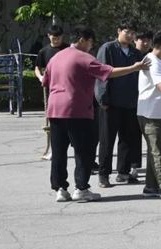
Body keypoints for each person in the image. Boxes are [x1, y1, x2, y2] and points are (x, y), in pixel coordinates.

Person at [42, 26, 149, 203]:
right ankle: (81, 188)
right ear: (82, 40)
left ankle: (60, 189)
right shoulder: (84, 58)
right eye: (90, 42)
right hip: (77, 110)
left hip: (55, 110)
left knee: (59, 152)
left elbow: (45, 81)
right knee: (84, 151)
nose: (91, 46)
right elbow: (109, 72)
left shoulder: (56, 58)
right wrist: (134, 67)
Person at [95, 22, 145, 187]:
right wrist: (103, 99)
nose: (130, 36)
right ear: (118, 31)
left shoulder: (135, 53)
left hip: (131, 102)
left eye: (132, 33)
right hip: (111, 103)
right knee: (107, 140)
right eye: (126, 32)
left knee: (127, 139)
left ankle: (123, 171)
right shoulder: (108, 49)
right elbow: (101, 74)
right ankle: (104, 174)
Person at [137, 30, 161, 198]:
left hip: (159, 112)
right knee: (158, 152)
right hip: (151, 114)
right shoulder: (152, 60)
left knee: (155, 150)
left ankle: (151, 187)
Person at [35, 24, 68, 160]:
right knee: (54, 121)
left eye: (59, 38)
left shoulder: (68, 49)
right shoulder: (44, 51)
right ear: (49, 36)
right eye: (54, 38)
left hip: (67, 88)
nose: (56, 40)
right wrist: (41, 77)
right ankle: (55, 149)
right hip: (52, 90)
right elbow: (37, 68)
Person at [129, 30, 153, 174]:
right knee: (131, 136)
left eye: (148, 40)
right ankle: (131, 166)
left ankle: (136, 165)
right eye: (142, 40)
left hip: (149, 102)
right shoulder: (130, 55)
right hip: (131, 101)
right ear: (135, 40)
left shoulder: (153, 56)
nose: (145, 43)